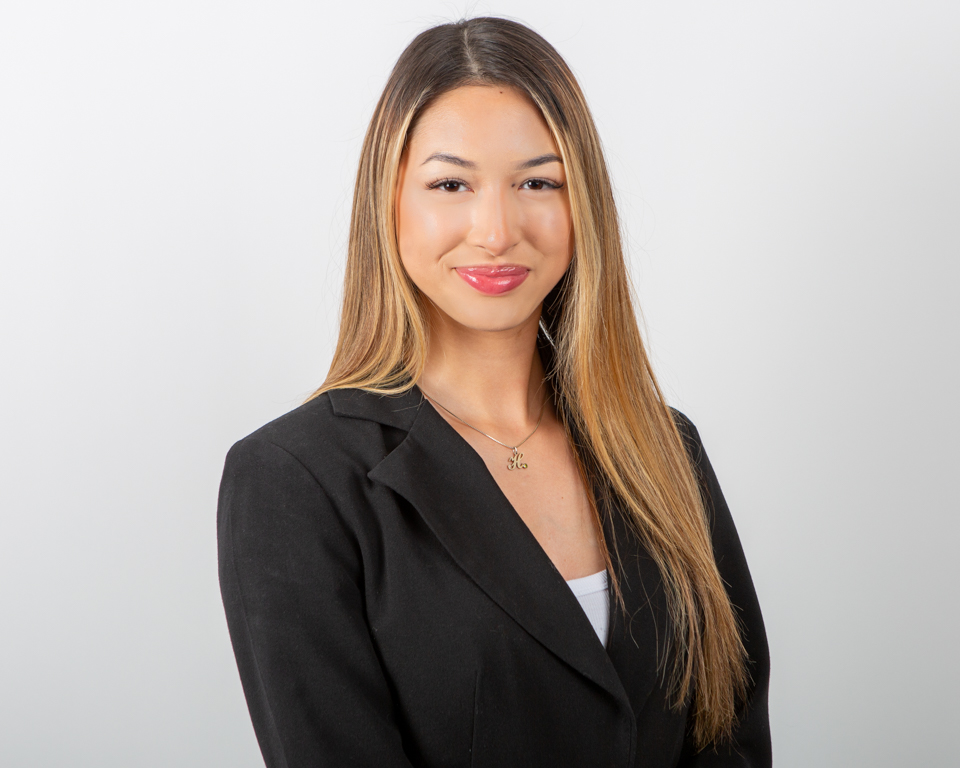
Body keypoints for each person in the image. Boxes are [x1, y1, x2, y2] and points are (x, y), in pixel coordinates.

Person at [217, 16, 771, 768]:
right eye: (451, 184)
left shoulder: (664, 448)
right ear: (390, 205)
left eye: (538, 182)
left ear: (585, 210)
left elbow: (731, 738)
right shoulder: (295, 479)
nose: (497, 230)